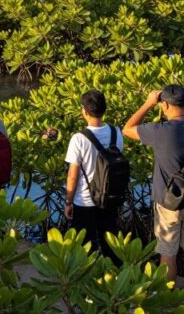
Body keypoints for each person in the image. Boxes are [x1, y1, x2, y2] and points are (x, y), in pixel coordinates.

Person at [123, 85, 184, 300]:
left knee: (168, 254)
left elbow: (127, 129)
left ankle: (168, 301)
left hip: (167, 203)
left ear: (164, 104)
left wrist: (148, 103)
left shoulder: (158, 130)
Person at [64, 89, 123, 258]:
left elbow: (72, 176)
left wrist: (68, 202)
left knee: (85, 250)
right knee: (110, 247)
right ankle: (114, 279)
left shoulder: (79, 138)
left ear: (84, 111)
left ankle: (88, 282)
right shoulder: (116, 132)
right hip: (109, 199)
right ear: (104, 109)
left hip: (84, 201)